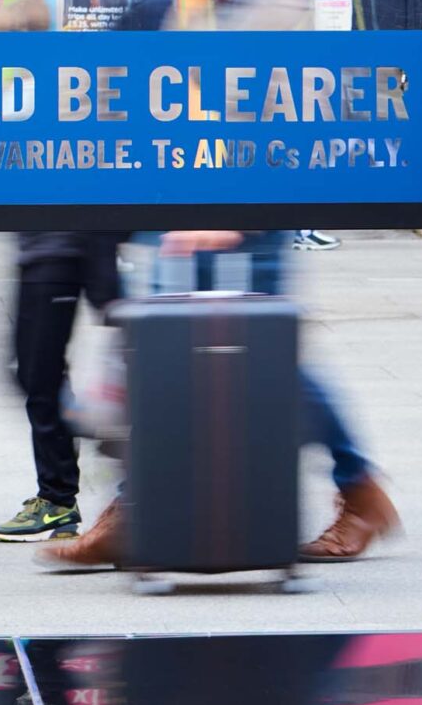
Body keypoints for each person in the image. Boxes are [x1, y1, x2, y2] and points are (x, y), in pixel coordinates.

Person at [35, 228, 400, 570]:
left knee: (268, 356)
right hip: (187, 206)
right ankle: (133, 510)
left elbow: (279, 160)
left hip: (237, 213)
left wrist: (236, 216)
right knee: (160, 352)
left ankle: (360, 490)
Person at [0, 0, 122, 545]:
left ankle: (60, 496)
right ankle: (70, 478)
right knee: (32, 373)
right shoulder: (28, 91)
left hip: (64, 250)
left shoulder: (50, 92)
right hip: (44, 249)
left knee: (37, 375)